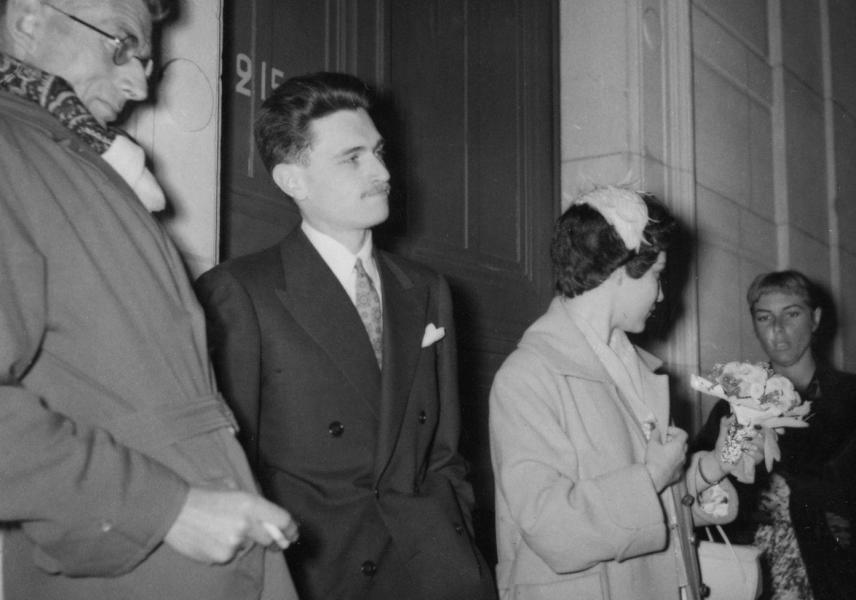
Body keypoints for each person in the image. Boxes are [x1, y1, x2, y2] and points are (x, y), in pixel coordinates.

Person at [0, 0, 300, 598]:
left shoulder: (75, 159)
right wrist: (166, 509)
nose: (139, 83)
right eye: (120, 45)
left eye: (144, 60)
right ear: (30, 22)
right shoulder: (13, 152)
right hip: (137, 559)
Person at [195, 71, 497, 600]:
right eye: (351, 158)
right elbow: (231, 471)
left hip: (435, 573)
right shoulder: (241, 292)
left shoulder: (426, 289)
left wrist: (460, 548)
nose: (382, 171)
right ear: (293, 180)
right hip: (323, 574)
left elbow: (445, 453)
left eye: (378, 152)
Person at [489, 185, 760, 600]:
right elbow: (552, 528)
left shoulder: (632, 366)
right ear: (620, 270)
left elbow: (656, 499)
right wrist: (651, 475)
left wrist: (713, 466)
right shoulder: (528, 375)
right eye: (657, 275)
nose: (663, 293)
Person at [696, 270, 856, 600]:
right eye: (765, 318)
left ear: (816, 319)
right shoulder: (735, 405)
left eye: (792, 314)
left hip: (842, 577)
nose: (778, 330)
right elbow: (702, 484)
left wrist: (812, 497)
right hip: (755, 576)